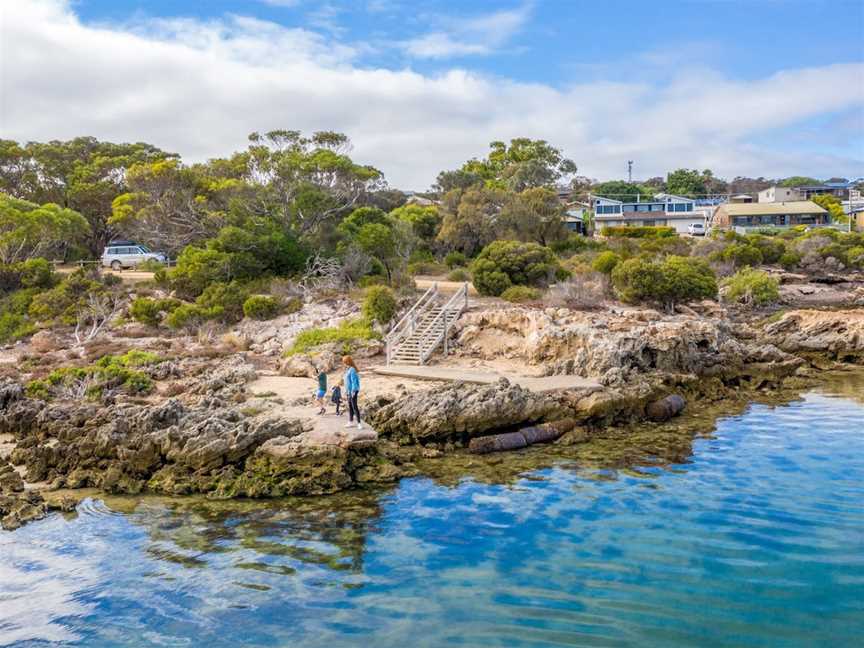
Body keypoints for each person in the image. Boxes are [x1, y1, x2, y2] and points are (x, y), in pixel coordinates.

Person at [342, 355, 362, 429]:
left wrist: (353, 391)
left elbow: (354, 382)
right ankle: (350, 421)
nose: (344, 364)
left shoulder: (352, 370)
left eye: (345, 362)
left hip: (353, 391)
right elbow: (345, 381)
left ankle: (359, 423)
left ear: (348, 362)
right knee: (350, 406)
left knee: (354, 406)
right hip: (348, 391)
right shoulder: (348, 369)